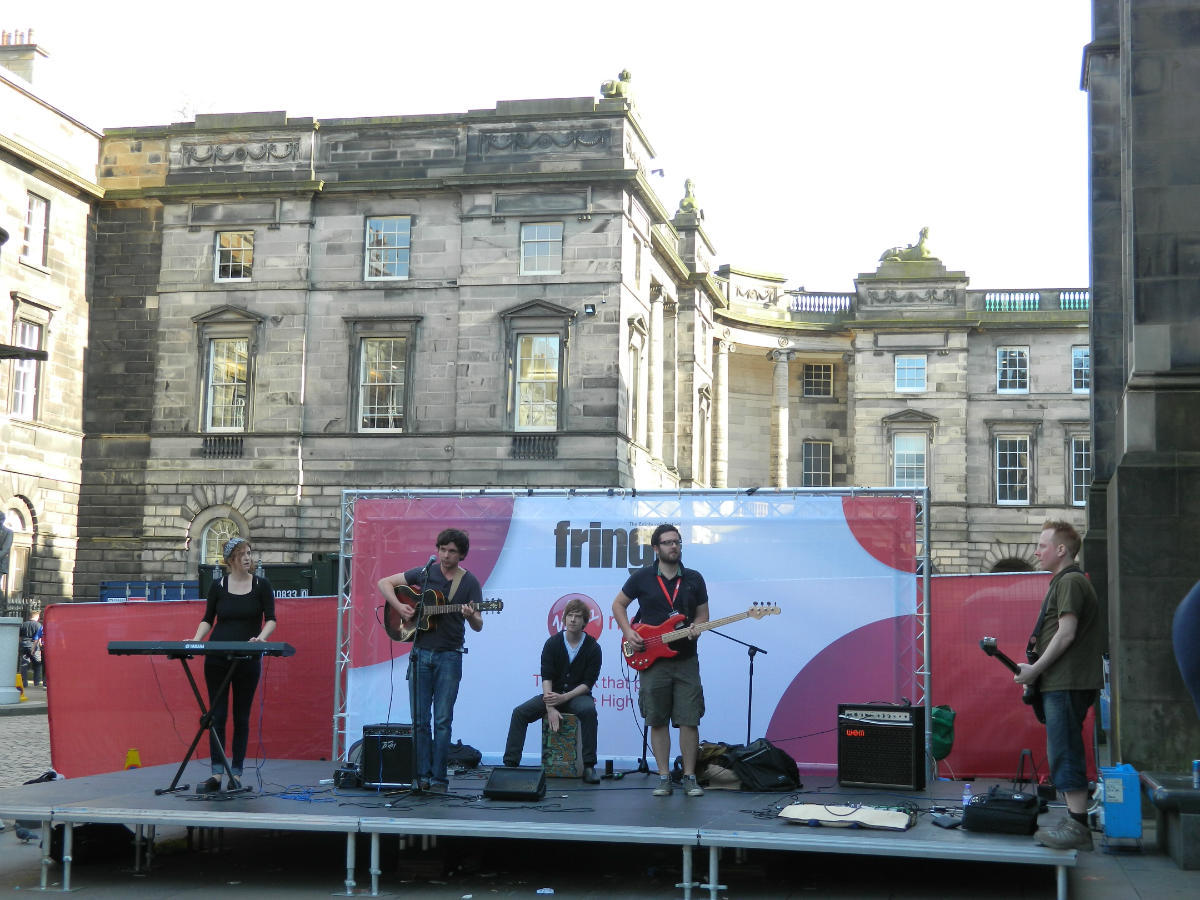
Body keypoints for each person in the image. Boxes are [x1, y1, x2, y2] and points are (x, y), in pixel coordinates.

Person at [1015, 520, 1105, 851]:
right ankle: (1073, 822)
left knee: (1065, 749)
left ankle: (1077, 827)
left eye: (1042, 545)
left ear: (1061, 549)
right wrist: (1036, 672)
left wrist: (1035, 670)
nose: (1037, 551)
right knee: (1062, 748)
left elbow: (1066, 634)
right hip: (1062, 681)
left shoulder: (1070, 582)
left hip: (1067, 682)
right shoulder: (1066, 582)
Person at [377, 528, 483, 793]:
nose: (446, 555)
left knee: (442, 721)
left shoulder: (469, 582)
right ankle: (420, 776)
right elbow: (384, 583)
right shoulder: (425, 573)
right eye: (442, 550)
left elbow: (479, 624)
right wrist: (400, 607)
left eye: (452, 551)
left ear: (461, 555)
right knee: (420, 721)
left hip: (450, 655)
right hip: (420, 653)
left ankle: (439, 780)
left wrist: (470, 615)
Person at [612, 523, 709, 797]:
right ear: (656, 548)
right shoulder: (642, 577)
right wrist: (628, 632)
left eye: (677, 542)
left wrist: (697, 628)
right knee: (657, 719)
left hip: (686, 659)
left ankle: (689, 777)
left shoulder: (694, 578)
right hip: (653, 660)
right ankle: (664, 777)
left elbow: (703, 614)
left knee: (689, 719)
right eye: (667, 542)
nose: (673, 546)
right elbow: (618, 605)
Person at [191, 537, 276, 793]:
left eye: (249, 553)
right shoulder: (218, 586)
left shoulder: (261, 585)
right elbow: (208, 618)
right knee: (217, 716)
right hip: (217, 658)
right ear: (230, 560)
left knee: (241, 716)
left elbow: (271, 619)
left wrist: (260, 639)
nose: (247, 558)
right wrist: (196, 640)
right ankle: (216, 774)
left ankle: (236, 774)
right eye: (242, 554)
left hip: (247, 659)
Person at [503, 597, 602, 783]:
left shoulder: (593, 647)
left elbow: (588, 683)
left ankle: (589, 766)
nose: (573, 620)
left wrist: (563, 698)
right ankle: (510, 764)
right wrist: (550, 707)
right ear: (564, 619)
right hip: (552, 694)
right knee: (519, 713)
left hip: (576, 695)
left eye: (578, 616)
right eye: (570, 615)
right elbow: (546, 676)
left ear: (585, 622)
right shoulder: (552, 643)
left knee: (589, 711)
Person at [18, 609, 41, 688]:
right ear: (37, 616)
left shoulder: (23, 624)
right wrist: (40, 645)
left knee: (24, 664)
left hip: (24, 645)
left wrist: (21, 644)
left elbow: (19, 636)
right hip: (34, 646)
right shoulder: (38, 625)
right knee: (37, 664)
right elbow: (39, 637)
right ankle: (37, 683)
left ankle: (24, 683)